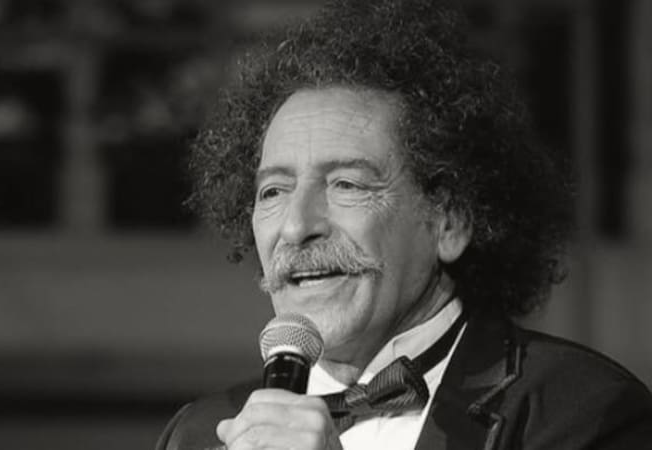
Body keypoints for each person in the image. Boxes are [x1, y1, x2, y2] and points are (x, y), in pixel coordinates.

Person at [156, 0, 652, 448]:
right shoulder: (198, 433)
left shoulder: (585, 412)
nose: (296, 226)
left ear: (449, 221)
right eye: (273, 192)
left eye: (347, 184)